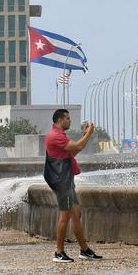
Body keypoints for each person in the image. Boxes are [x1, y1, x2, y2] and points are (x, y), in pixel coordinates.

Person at [44, 109, 102, 263]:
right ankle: (59, 252)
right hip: (62, 181)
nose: (70, 121)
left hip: (66, 180)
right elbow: (77, 146)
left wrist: (84, 136)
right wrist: (88, 134)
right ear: (59, 120)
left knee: (76, 213)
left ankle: (84, 250)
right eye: (67, 118)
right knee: (65, 216)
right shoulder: (56, 136)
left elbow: (74, 150)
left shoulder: (59, 135)